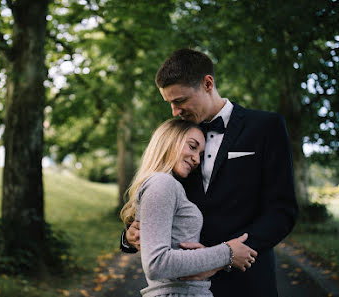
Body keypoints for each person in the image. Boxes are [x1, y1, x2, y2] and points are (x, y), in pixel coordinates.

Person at [120, 48, 298, 297]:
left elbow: (282, 211)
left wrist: (226, 257)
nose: (175, 111)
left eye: (179, 100)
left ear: (207, 83)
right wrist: (130, 236)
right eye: (169, 103)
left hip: (247, 280)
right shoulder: (181, 138)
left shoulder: (266, 127)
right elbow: (156, 192)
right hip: (183, 285)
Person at [120, 118, 257, 297]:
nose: (196, 160)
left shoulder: (168, 184)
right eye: (192, 146)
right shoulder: (162, 183)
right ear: (169, 141)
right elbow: (157, 264)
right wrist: (227, 253)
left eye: (200, 154)